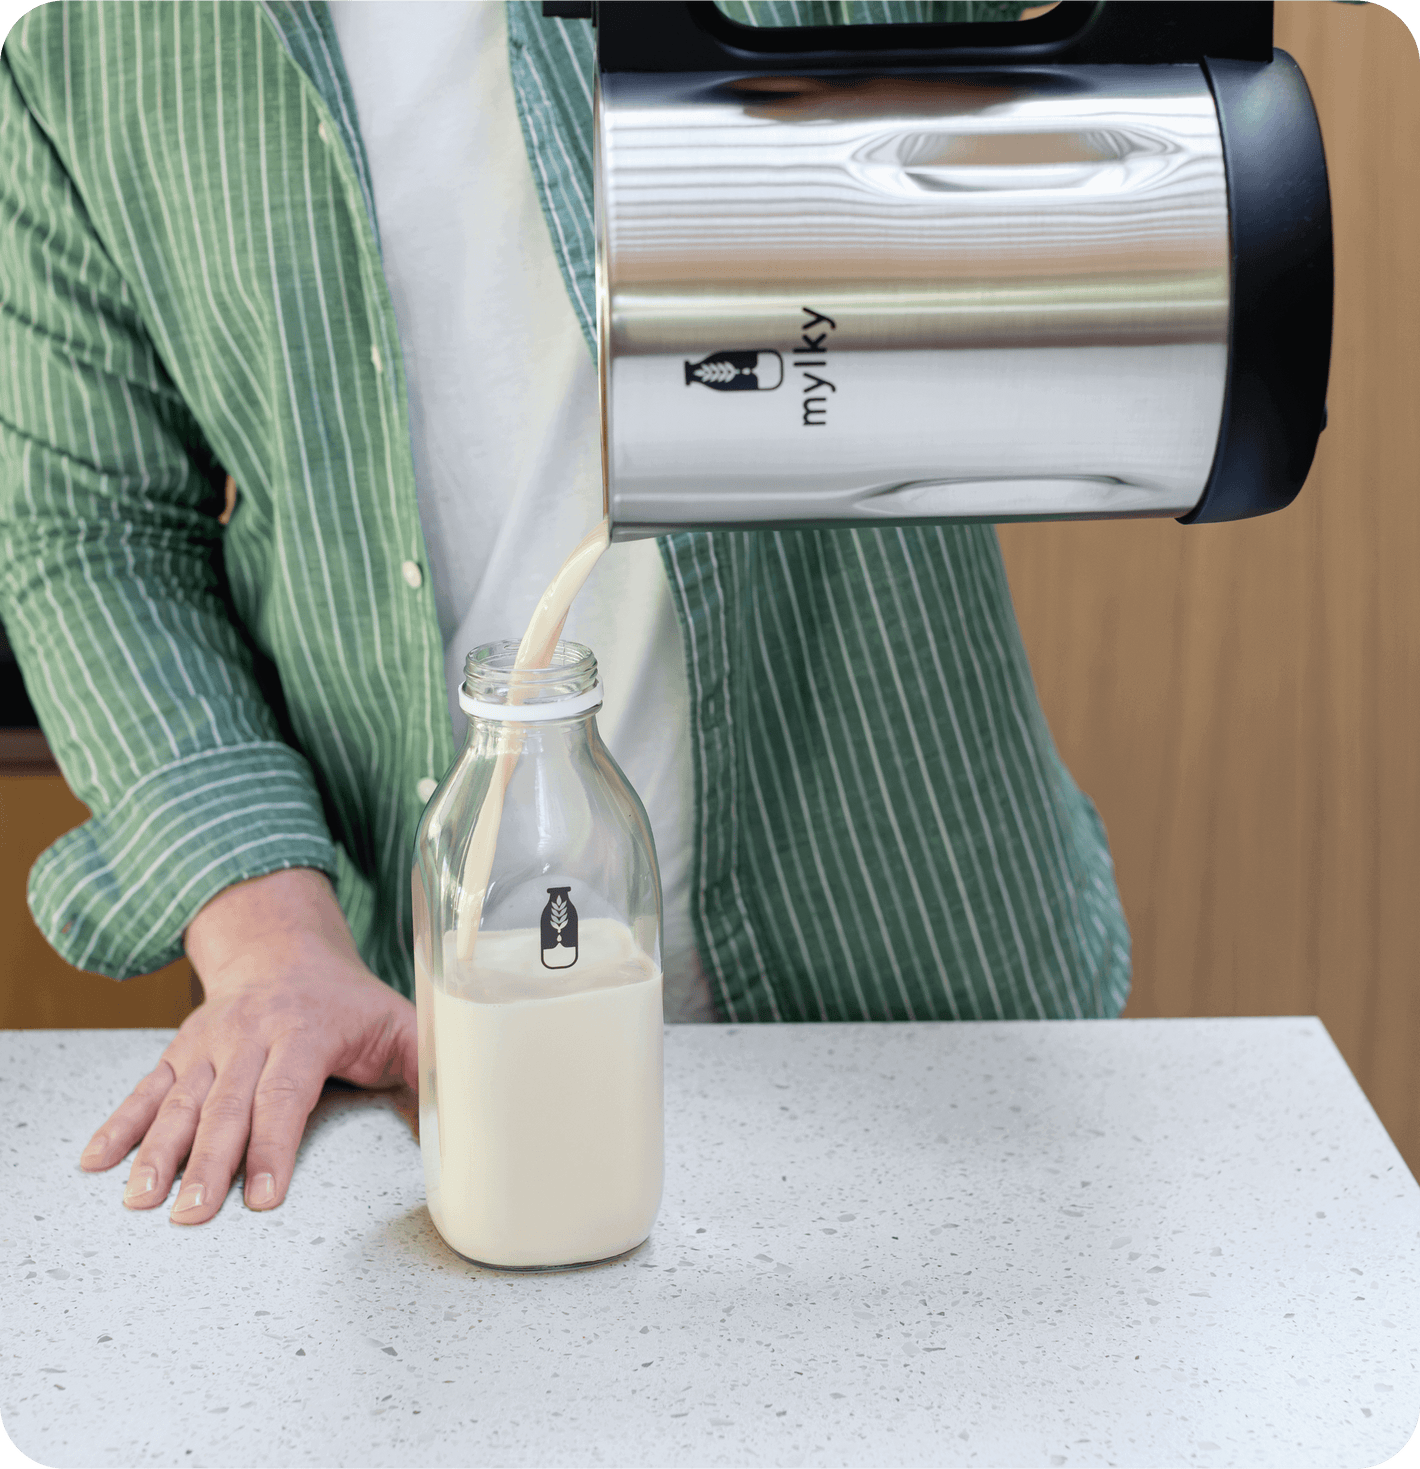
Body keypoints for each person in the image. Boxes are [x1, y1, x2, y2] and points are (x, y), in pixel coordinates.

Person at [0, 0, 1128, 1228]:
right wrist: (268, 935)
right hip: (428, 1044)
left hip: (918, 972)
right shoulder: (71, 34)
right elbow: (87, 524)